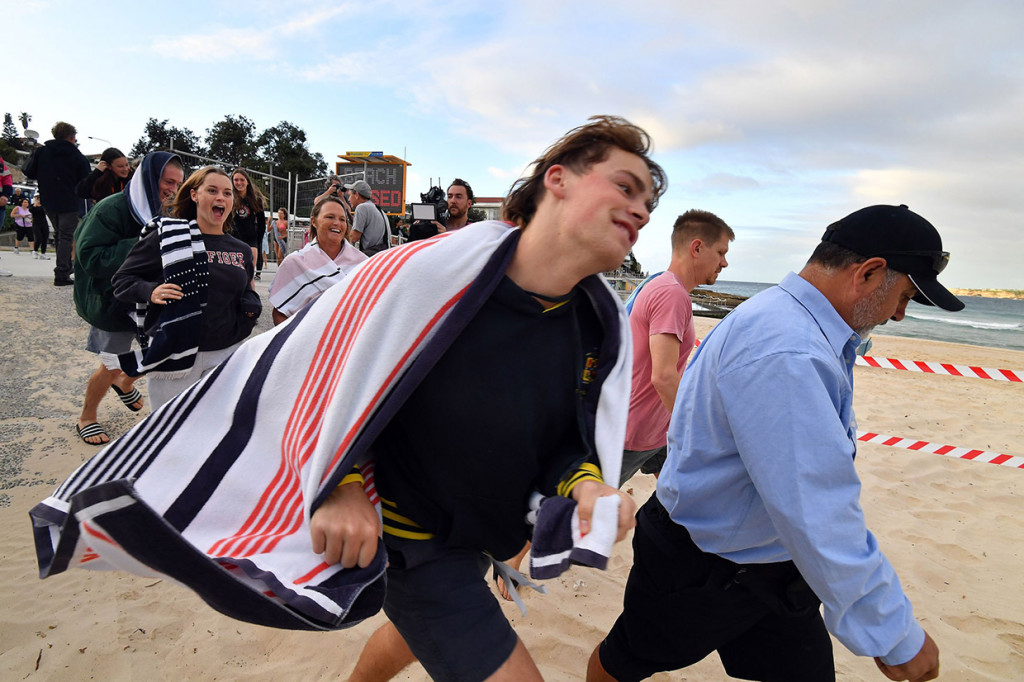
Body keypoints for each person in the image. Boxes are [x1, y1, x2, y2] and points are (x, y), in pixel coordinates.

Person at [318, 115, 665, 682]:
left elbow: (564, 442)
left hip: (483, 532)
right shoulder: (437, 278)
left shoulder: (591, 326)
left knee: (414, 633)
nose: (642, 212)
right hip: (411, 537)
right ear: (558, 179)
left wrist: (587, 485)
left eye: (647, 203)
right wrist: (343, 485)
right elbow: (335, 375)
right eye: (625, 187)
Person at [588, 204, 961, 682]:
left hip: (773, 556)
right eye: (905, 296)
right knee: (625, 660)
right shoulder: (787, 348)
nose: (901, 315)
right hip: (704, 561)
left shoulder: (788, 320)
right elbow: (816, 503)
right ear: (868, 272)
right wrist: (892, 632)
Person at [111, 166, 261, 410]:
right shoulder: (167, 238)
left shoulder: (241, 250)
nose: (221, 197)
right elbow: (122, 280)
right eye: (212, 190)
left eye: (227, 193)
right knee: (169, 426)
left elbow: (246, 289)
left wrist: (251, 307)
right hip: (174, 353)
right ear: (194, 195)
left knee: (217, 423)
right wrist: (151, 291)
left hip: (226, 353)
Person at [71, 152, 185, 444]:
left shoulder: (169, 211)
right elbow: (90, 257)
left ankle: (126, 381)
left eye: (178, 184)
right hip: (111, 299)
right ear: (148, 177)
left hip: (150, 298)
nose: (173, 189)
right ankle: (87, 417)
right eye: (168, 181)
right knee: (112, 362)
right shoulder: (111, 209)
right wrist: (144, 243)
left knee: (163, 349)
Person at [618, 209, 734, 486]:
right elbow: (664, 376)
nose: (725, 262)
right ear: (697, 248)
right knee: (586, 506)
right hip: (634, 433)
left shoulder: (664, 285)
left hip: (657, 428)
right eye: (720, 252)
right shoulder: (671, 293)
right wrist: (697, 429)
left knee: (678, 495)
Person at [268, 194, 367, 324]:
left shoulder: (364, 264)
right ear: (314, 221)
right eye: (330, 217)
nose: (337, 223)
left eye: (342, 219)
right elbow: (280, 313)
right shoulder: (294, 263)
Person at [22, 121, 91, 286]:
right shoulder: (76, 155)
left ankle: (64, 267)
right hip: (69, 201)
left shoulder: (42, 151)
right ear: (72, 137)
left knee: (61, 235)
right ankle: (62, 272)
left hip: (48, 200)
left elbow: (29, 171)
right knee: (66, 237)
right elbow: (86, 179)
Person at [409, 178, 477, 241]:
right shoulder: (436, 227)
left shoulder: (476, 229)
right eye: (450, 196)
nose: (453, 201)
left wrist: (446, 237)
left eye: (458, 197)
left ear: (469, 203)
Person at [230, 168, 266, 278]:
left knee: (249, 274)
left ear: (247, 182)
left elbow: (261, 223)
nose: (239, 183)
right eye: (236, 180)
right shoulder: (229, 197)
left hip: (251, 239)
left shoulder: (256, 199)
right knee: (235, 273)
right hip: (234, 238)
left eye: (242, 180)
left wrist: (258, 241)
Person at [345, 179, 390, 256]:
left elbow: (354, 237)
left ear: (357, 195)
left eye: (350, 195)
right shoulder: (379, 210)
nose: (348, 199)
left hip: (371, 256)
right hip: (382, 255)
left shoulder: (362, 207)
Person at [29, 195, 50, 260]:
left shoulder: (44, 206)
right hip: (36, 223)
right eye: (38, 199)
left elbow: (46, 211)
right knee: (38, 238)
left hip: (44, 223)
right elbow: (31, 210)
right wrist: (35, 204)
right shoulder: (32, 206)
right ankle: (35, 251)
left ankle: (43, 253)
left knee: (45, 238)